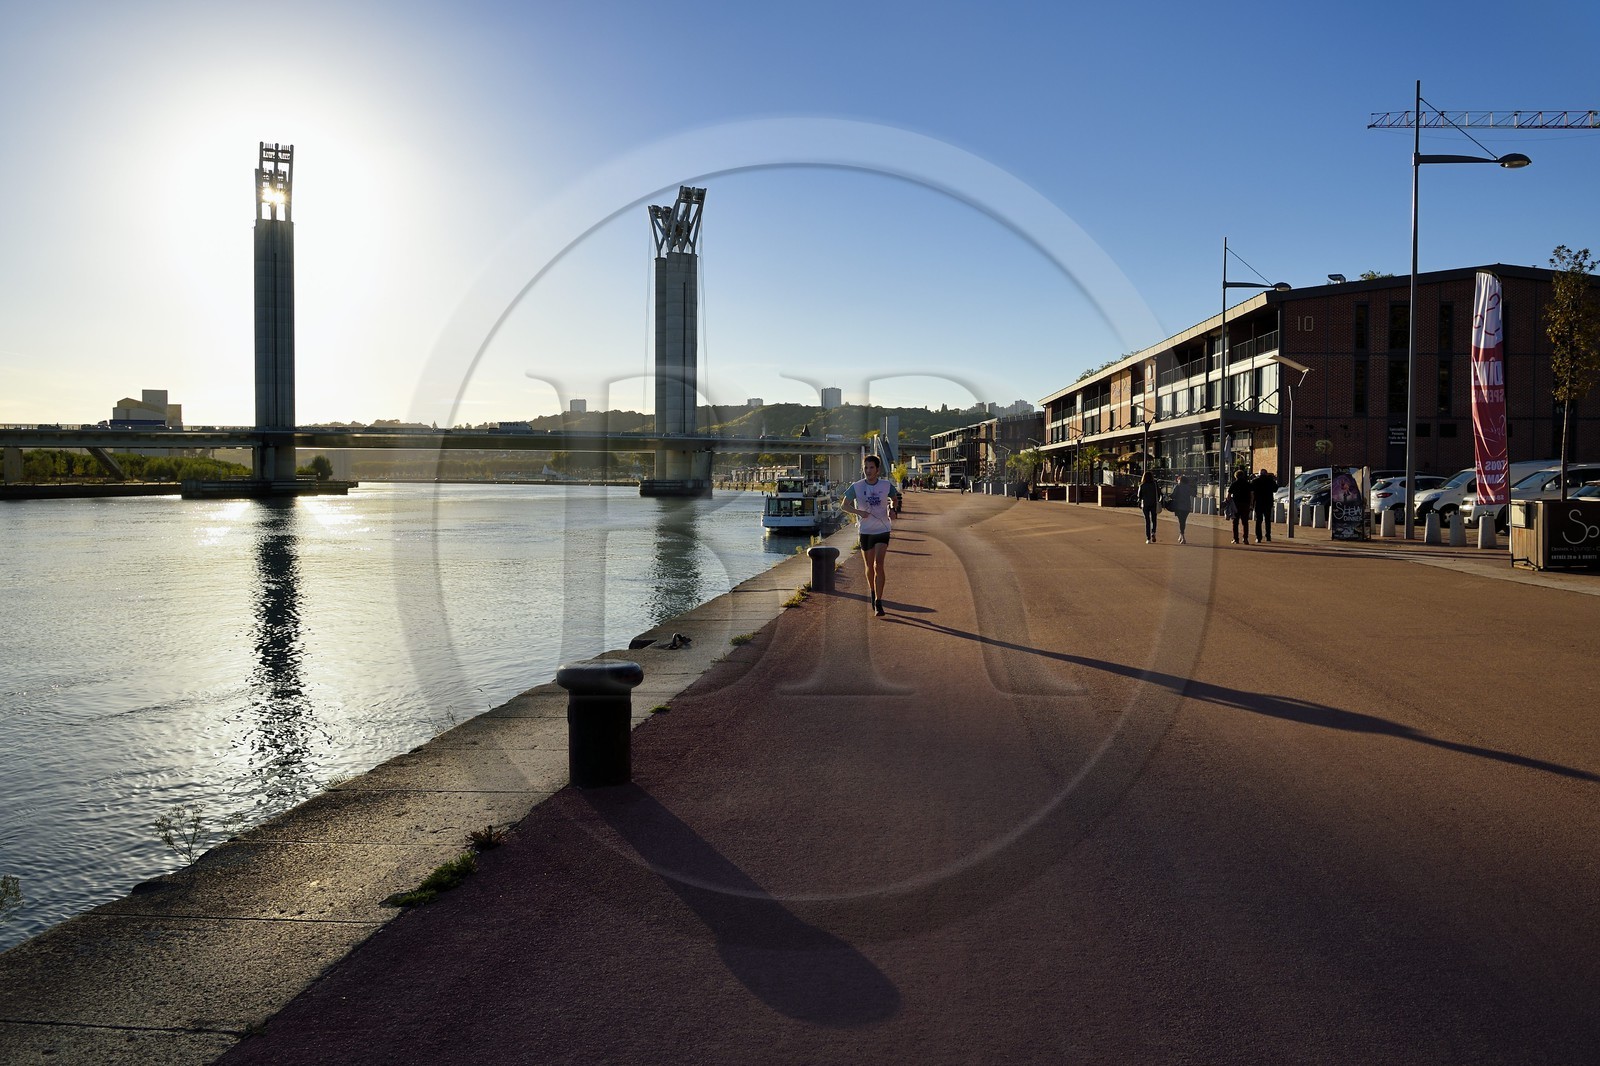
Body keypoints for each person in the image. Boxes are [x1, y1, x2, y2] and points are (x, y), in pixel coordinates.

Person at [841, 454, 900, 616]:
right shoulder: (857, 487)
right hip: (865, 531)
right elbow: (844, 505)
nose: (868, 470)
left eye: (871, 467)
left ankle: (879, 602)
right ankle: (873, 592)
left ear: (877, 469)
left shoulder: (886, 485)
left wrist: (892, 509)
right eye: (866, 467)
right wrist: (858, 512)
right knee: (869, 567)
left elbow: (894, 499)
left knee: (878, 565)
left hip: (882, 530)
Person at [1252, 467, 1279, 543]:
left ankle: (1258, 537)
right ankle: (1268, 537)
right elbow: (1275, 489)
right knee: (1267, 520)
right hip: (1268, 502)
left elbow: (1251, 489)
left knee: (1258, 520)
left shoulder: (1255, 481)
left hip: (1258, 502)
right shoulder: (1270, 481)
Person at [1228, 467, 1254, 544]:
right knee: (1245, 522)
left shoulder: (1234, 484)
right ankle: (1245, 538)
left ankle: (1236, 539)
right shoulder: (1247, 484)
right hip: (1246, 504)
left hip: (1236, 505)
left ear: (1236, 476)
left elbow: (1229, 495)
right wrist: (1251, 503)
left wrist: (1228, 502)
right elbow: (1252, 494)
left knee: (1235, 522)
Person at [1137, 469, 1161, 543]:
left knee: (1147, 521)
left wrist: (1139, 502)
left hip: (1145, 504)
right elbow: (1159, 493)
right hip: (1154, 503)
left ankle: (1148, 538)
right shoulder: (1154, 484)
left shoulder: (1142, 485)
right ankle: (1153, 532)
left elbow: (1139, 495)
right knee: (1154, 519)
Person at [1170, 473, 1194, 544]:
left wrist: (1168, 496)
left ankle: (1182, 536)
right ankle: (1181, 535)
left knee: (1181, 521)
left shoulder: (1178, 486)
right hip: (1187, 506)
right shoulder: (1188, 487)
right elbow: (1193, 493)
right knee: (1183, 521)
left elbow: (1173, 495)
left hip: (1179, 506)